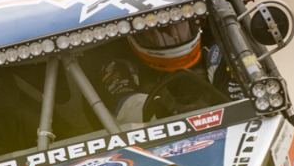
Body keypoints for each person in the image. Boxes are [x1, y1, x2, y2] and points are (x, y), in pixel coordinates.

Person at [99, 19, 235, 128]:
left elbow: (241, 100)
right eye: (158, 32)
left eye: (179, 24)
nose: (174, 36)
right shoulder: (118, 66)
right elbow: (126, 106)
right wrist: (160, 116)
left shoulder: (216, 52)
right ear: (134, 35)